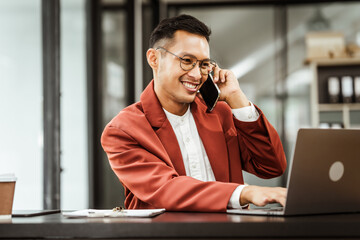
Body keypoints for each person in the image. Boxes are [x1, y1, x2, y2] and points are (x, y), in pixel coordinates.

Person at [101, 14, 287, 212]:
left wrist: (236, 98)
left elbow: (271, 165)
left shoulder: (220, 114)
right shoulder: (123, 130)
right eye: (187, 60)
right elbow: (166, 189)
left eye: (203, 64)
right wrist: (245, 193)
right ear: (154, 59)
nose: (197, 75)